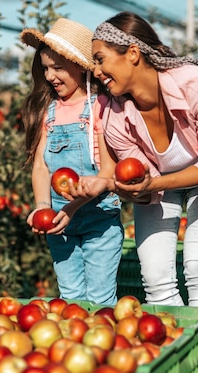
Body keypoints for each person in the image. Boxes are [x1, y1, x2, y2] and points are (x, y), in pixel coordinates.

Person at [72, 11, 198, 324]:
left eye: (100, 59)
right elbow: (140, 177)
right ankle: (174, 352)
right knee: (155, 278)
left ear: (132, 53)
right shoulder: (112, 114)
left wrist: (151, 186)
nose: (96, 71)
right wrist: (130, 190)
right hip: (159, 181)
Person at [19, 18, 124, 306]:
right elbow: (41, 166)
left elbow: (107, 170)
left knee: (101, 300)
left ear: (80, 65)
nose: (50, 76)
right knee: (71, 300)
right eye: (45, 69)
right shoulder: (49, 112)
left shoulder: (100, 107)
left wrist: (70, 207)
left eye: (58, 68)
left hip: (99, 220)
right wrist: (42, 205)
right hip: (59, 225)